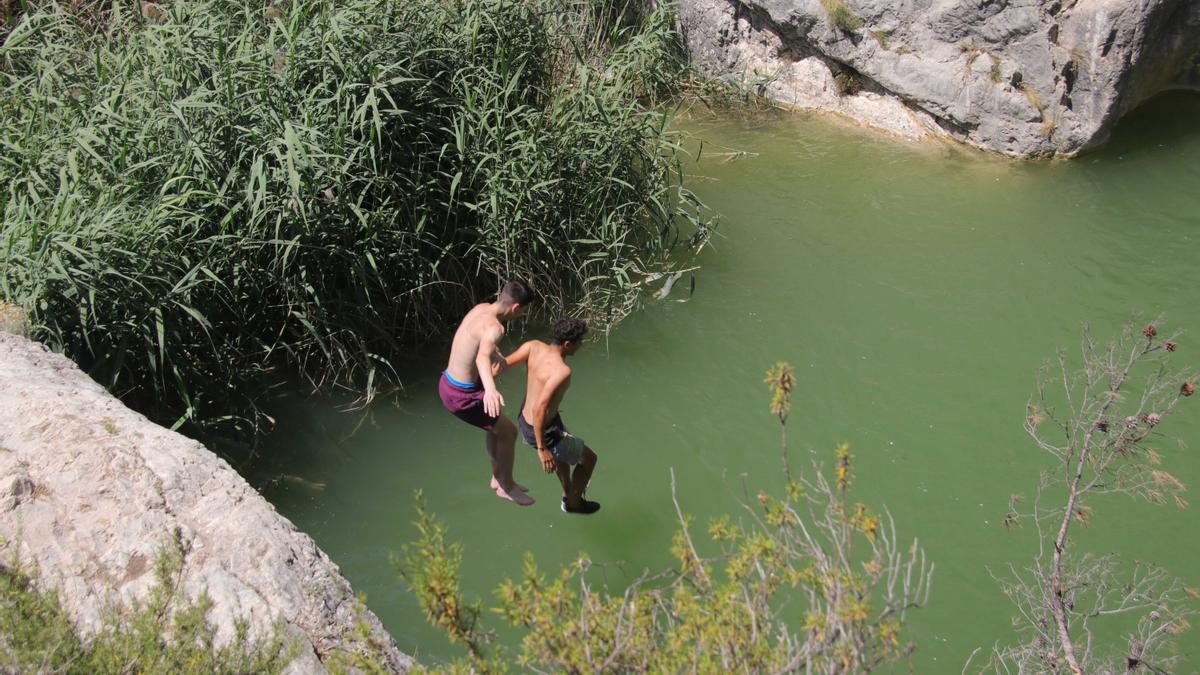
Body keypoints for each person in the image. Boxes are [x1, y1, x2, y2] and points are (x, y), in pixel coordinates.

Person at [439, 281, 536, 506]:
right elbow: (482, 356)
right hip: (462, 396)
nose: (522, 316)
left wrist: (497, 353)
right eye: (523, 311)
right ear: (515, 308)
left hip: (448, 382)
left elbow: (478, 341)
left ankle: (497, 477)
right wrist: (490, 390)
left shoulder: (481, 309)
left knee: (495, 427)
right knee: (509, 433)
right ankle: (507, 487)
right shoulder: (497, 328)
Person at [503, 318, 600, 514]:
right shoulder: (562, 371)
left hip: (525, 419)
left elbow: (502, 364)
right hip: (544, 430)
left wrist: (482, 379)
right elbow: (540, 408)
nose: (581, 345)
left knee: (562, 457)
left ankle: (567, 493)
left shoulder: (533, 346)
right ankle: (573, 502)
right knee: (589, 459)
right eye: (580, 341)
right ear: (567, 344)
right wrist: (542, 449)